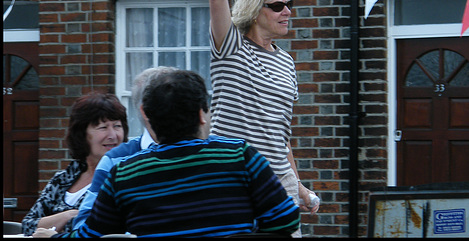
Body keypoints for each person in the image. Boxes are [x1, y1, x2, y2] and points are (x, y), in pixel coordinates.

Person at [41, 69, 300, 237]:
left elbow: (90, 236)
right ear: (201, 114)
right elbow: (286, 221)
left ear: (148, 117)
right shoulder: (240, 156)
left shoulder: (124, 174)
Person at [202, 0, 319, 233]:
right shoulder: (230, 48)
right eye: (278, 6)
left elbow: (280, 135)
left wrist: (298, 187)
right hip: (232, 178)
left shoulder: (286, 62)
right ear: (255, 11)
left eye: (289, 4)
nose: (288, 12)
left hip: (278, 183)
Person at [22, 92, 128, 236]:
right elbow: (27, 226)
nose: (113, 135)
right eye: (103, 127)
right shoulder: (62, 179)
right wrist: (66, 216)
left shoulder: (124, 177)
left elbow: (97, 228)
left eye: (117, 126)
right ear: (82, 134)